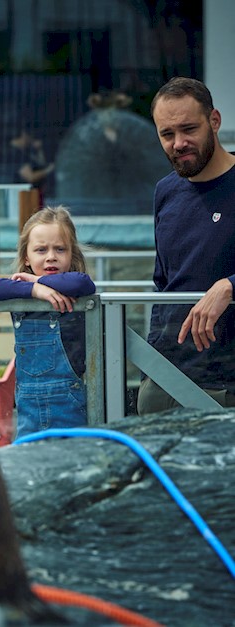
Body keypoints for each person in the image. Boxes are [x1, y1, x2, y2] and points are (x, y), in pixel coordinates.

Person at [137, 77, 235, 414]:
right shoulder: (165, 191)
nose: (179, 143)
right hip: (162, 380)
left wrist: (230, 286)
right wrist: (148, 370)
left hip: (225, 385)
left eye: (189, 129)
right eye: (167, 134)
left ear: (215, 121)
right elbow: (163, 283)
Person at [0, 206, 96, 440]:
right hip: (28, 411)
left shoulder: (75, 287)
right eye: (41, 249)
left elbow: (83, 284)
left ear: (72, 254)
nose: (51, 256)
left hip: (71, 407)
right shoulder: (20, 292)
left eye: (60, 249)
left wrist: (38, 279)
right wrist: (33, 289)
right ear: (26, 257)